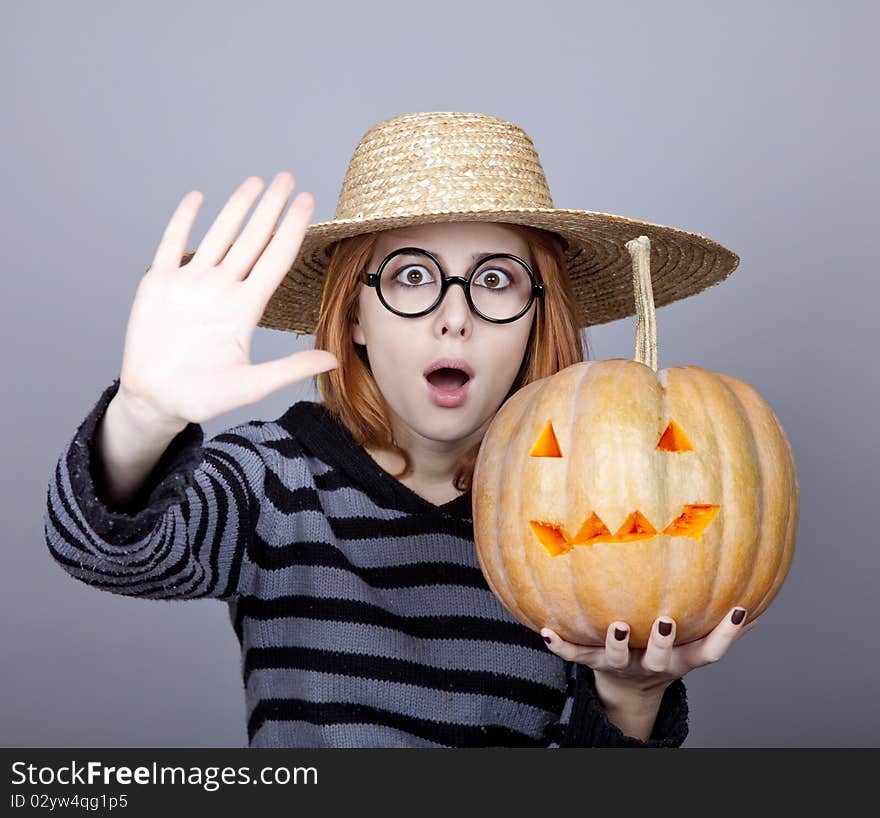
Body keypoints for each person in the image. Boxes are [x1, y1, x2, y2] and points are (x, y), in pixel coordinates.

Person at [43, 111, 757, 748]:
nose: (455, 316)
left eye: (496, 279)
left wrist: (630, 697)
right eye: (412, 276)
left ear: (542, 313)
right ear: (356, 315)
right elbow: (105, 554)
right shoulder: (276, 481)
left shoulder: (584, 519)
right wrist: (143, 417)